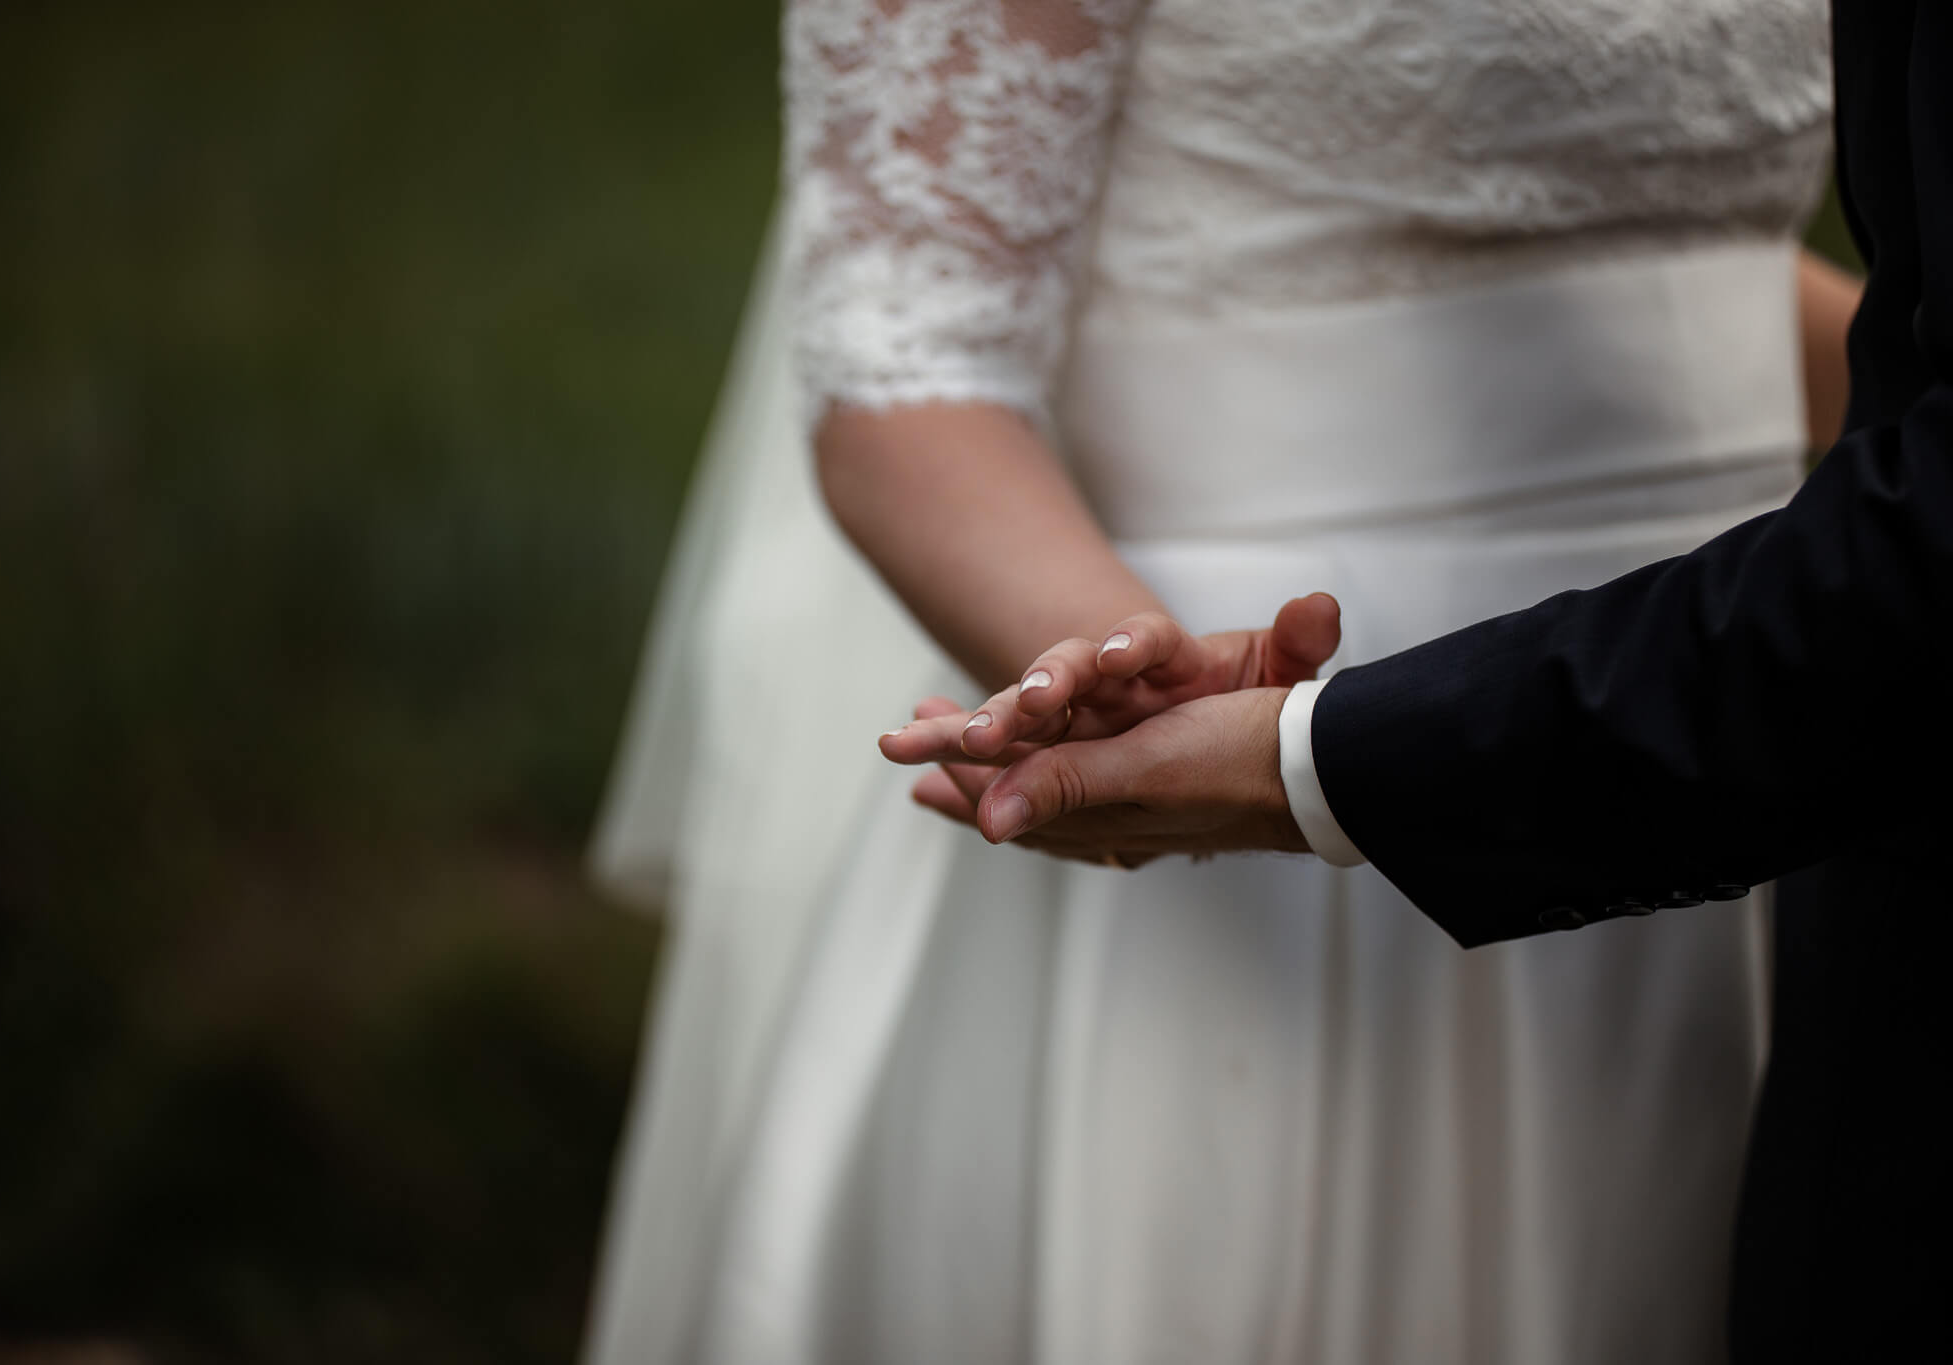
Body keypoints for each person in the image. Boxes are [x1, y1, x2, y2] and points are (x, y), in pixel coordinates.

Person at [586, 3, 1852, 1362]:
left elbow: (1680, 246)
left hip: (1767, 719)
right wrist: (1145, 693)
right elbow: (910, 353)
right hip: (1267, 823)